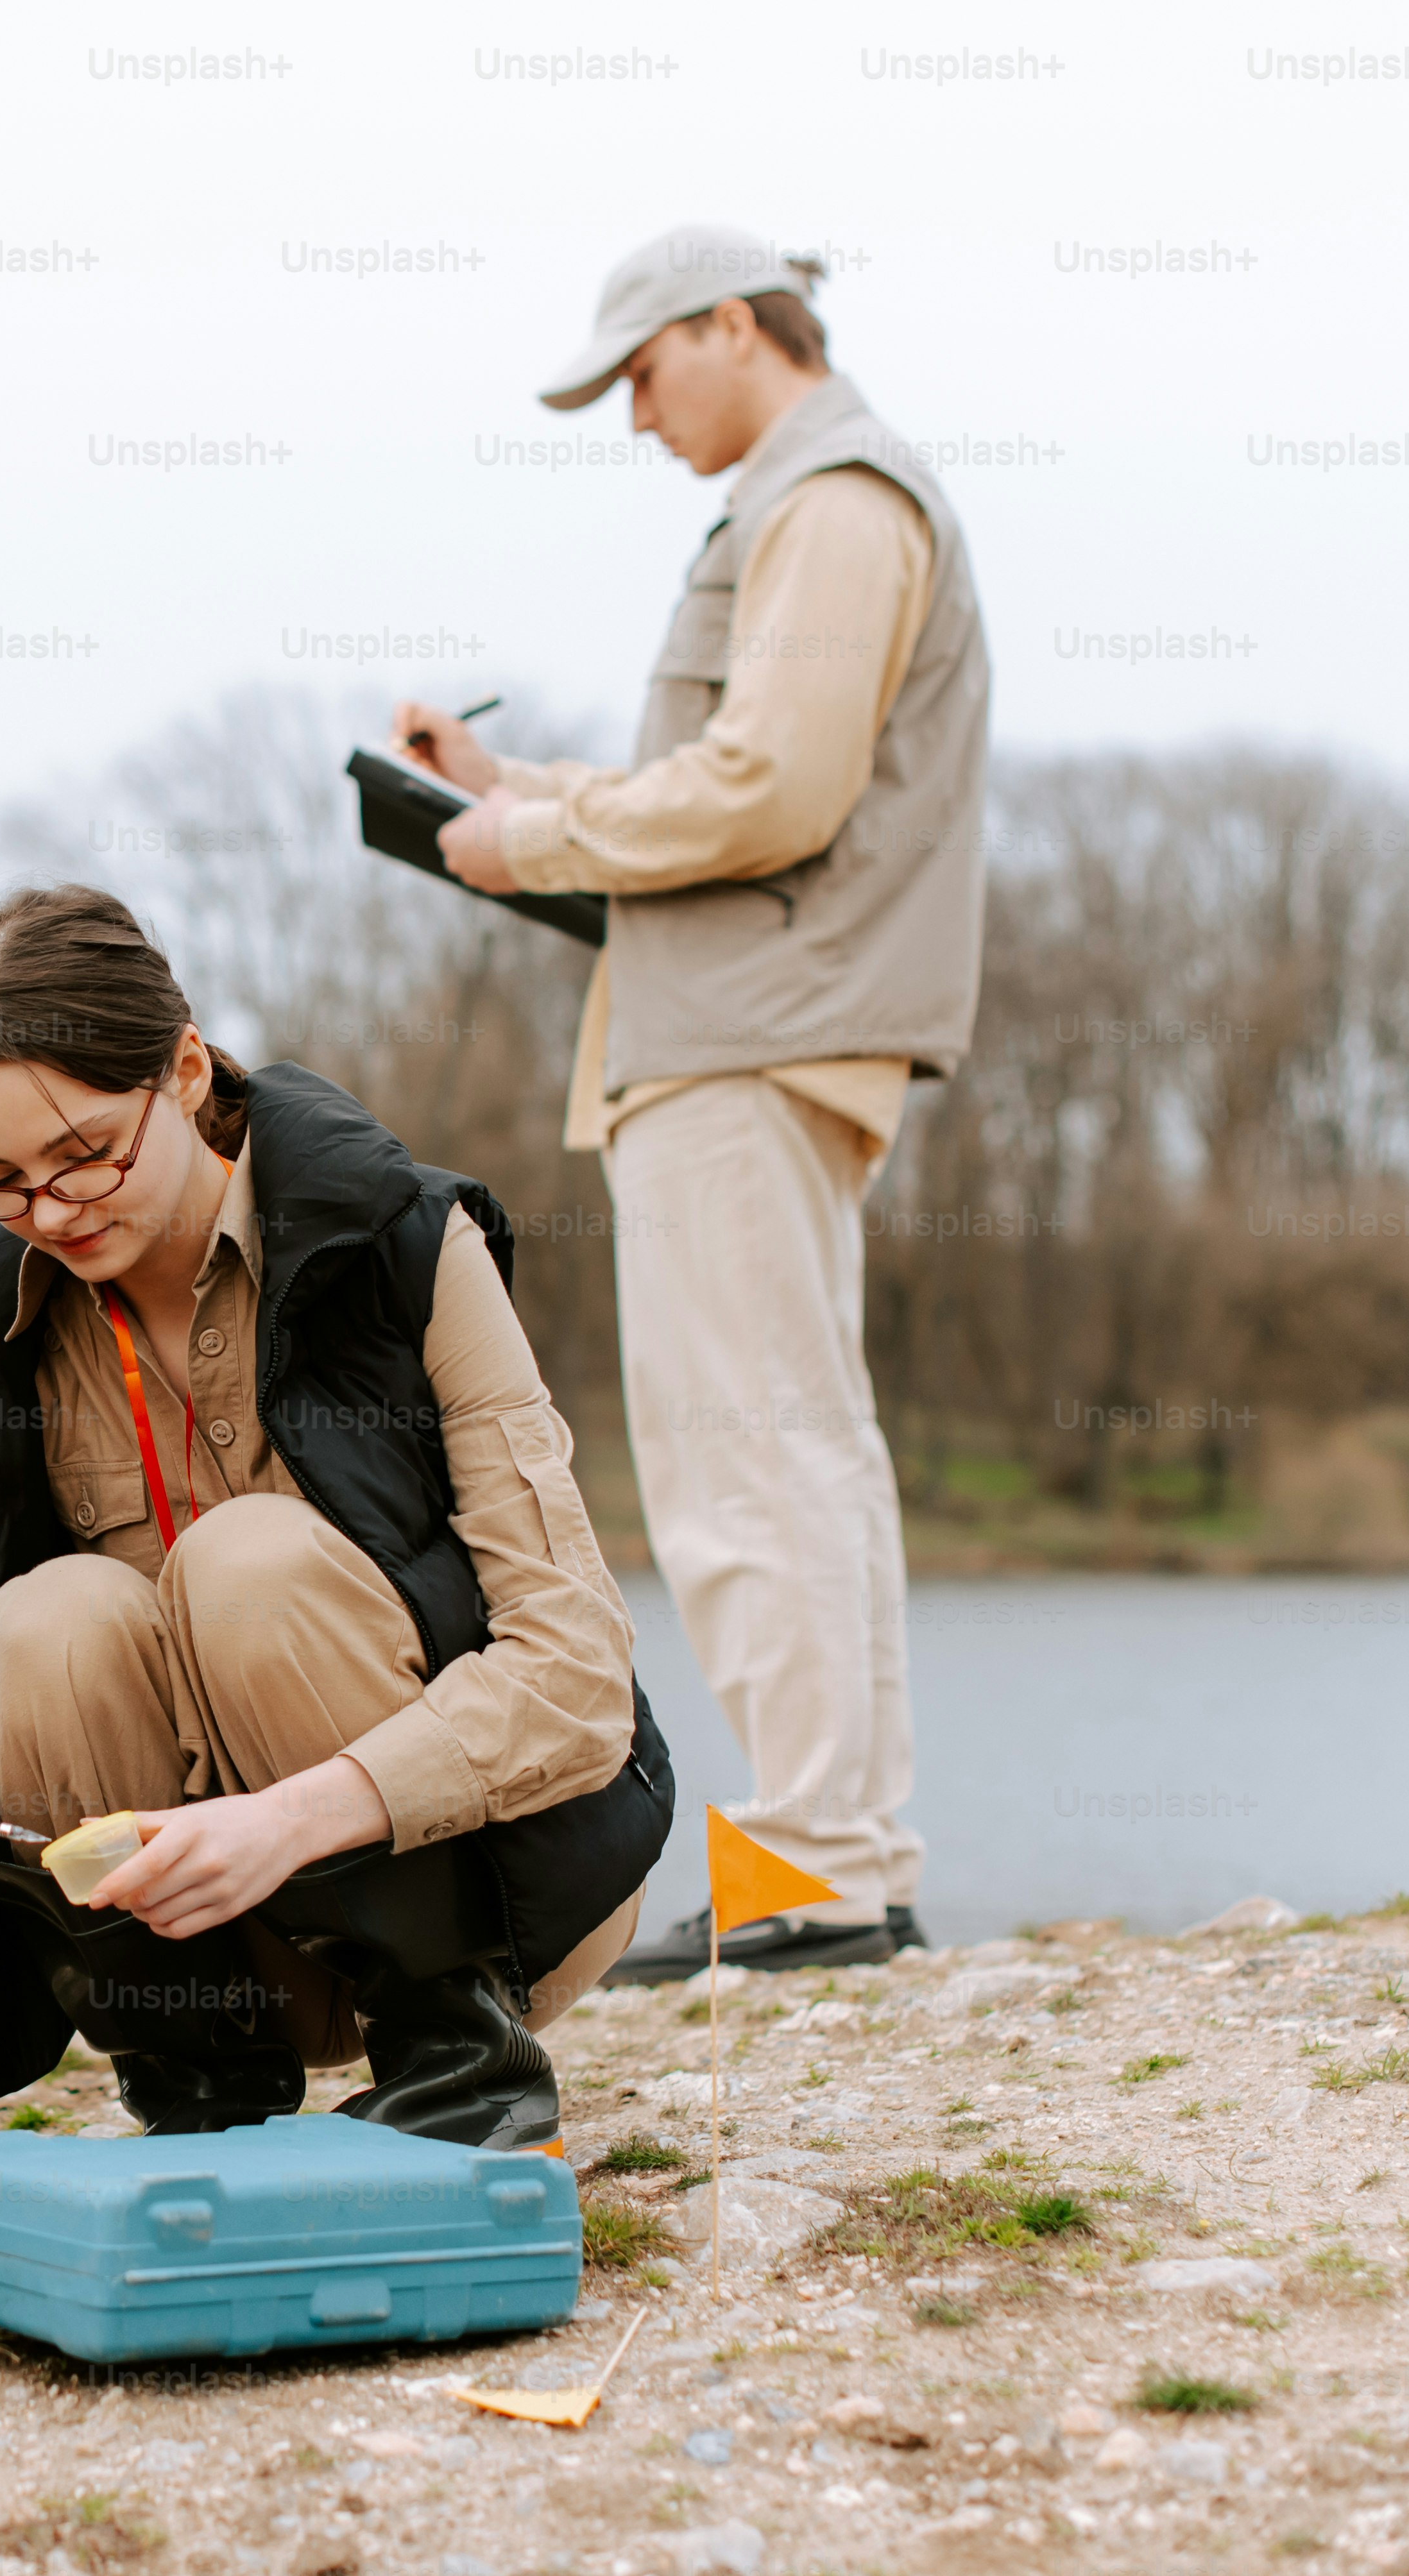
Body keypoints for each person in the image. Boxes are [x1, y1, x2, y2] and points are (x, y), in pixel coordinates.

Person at [0, 886, 672, 2150]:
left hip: (501, 1902)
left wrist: (283, 1819)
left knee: (246, 1565)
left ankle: (458, 2063)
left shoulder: (402, 1246)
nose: (51, 1215)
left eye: (85, 1153)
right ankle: (195, 2087)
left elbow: (578, 1678)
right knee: (49, 1617)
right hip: (203, 1953)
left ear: (181, 1068)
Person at [392, 222, 991, 1981]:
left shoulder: (833, 500)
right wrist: (516, 791)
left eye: (647, 374)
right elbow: (732, 782)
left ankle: (813, 1874)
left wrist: (536, 842)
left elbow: (773, 785)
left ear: (740, 328)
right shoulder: (812, 503)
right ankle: (838, 1863)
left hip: (747, 1032)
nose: (638, 419)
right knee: (796, 1446)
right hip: (758, 1019)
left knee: (749, 1457)